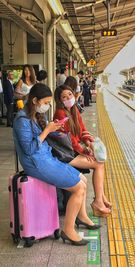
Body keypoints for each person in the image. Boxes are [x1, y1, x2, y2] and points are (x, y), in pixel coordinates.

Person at [13, 83, 100, 246]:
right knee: (78, 188)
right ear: (35, 101)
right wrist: (47, 131)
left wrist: (53, 130)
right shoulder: (22, 120)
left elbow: (40, 141)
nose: (47, 106)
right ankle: (68, 230)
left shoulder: (33, 115)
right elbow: (29, 149)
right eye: (45, 103)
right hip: (36, 163)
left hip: (45, 158)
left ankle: (81, 217)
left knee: (83, 180)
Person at [54, 84, 112, 217]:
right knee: (98, 164)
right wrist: (85, 151)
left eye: (69, 94)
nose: (68, 97)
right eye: (64, 96)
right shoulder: (61, 113)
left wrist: (89, 143)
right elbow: (70, 140)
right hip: (65, 154)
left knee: (99, 161)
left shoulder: (73, 109)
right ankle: (98, 201)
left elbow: (82, 130)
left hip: (71, 151)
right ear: (60, 100)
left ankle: (100, 198)